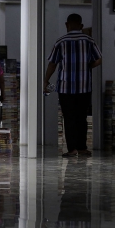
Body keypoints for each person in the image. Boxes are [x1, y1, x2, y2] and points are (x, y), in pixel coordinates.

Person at [44, 13, 102, 157]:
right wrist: (88, 66)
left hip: (65, 87)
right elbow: (99, 60)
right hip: (84, 87)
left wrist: (46, 79)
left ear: (67, 25)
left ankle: (72, 149)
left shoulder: (60, 42)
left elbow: (52, 64)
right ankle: (82, 148)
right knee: (81, 117)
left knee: (68, 117)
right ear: (81, 26)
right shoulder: (89, 40)